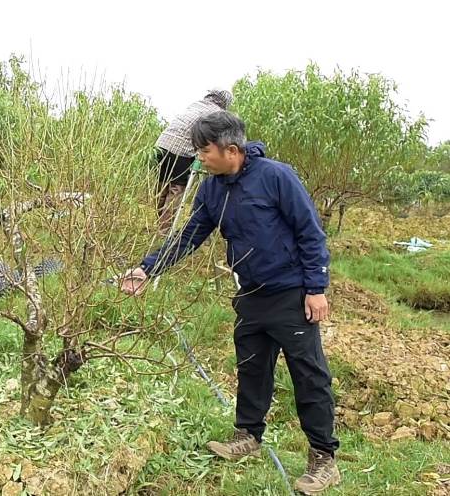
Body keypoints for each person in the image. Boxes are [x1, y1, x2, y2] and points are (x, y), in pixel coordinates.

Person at [121, 111, 340, 495]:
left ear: (232, 150)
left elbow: (310, 232)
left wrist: (316, 287)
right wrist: (147, 268)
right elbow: (189, 236)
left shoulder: (276, 177)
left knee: (309, 374)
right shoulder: (211, 190)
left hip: (291, 293)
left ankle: (323, 458)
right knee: (252, 368)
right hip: (251, 294)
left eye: (204, 151)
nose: (199, 158)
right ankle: (248, 436)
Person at [154, 89, 233, 232]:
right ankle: (164, 232)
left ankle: (158, 225)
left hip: (161, 144)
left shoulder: (197, 104)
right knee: (176, 190)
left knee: (162, 186)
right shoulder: (217, 114)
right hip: (181, 149)